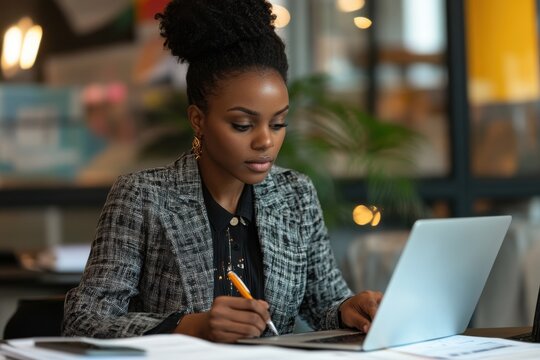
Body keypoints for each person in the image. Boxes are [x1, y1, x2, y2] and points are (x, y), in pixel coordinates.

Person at [63, 0, 382, 343]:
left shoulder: (296, 195)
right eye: (242, 125)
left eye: (278, 123)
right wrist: (190, 327)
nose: (266, 141)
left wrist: (349, 307)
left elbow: (325, 301)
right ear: (198, 120)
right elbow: (84, 320)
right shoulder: (143, 197)